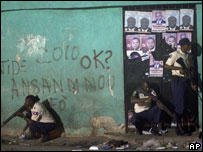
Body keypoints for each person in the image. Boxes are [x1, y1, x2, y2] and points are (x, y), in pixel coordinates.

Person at [164, 38, 197, 135]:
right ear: (183, 46)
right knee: (180, 106)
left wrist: (192, 84)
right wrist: (179, 68)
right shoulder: (175, 54)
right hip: (177, 81)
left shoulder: (187, 55)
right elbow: (167, 66)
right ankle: (178, 129)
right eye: (188, 45)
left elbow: (187, 72)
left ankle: (185, 126)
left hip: (185, 81)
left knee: (186, 105)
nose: (189, 47)